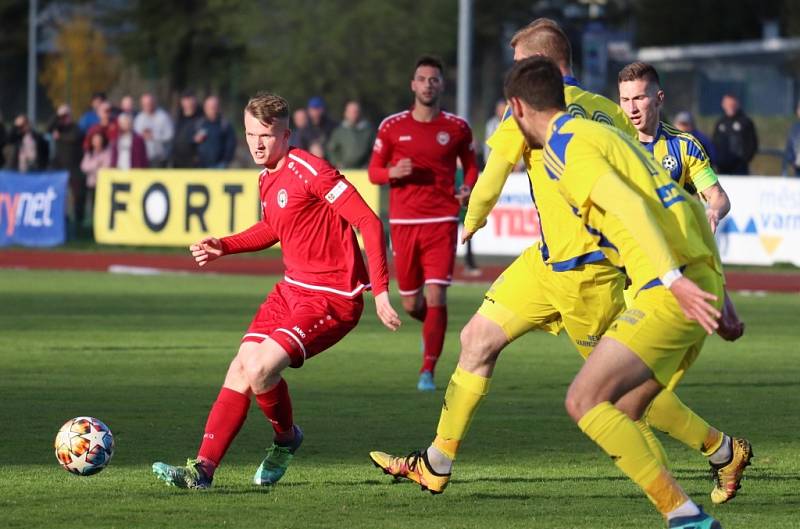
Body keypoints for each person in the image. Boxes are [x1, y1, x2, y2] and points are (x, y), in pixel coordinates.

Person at [369, 19, 751, 508]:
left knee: (616, 395)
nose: (515, 84)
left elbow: (493, 176)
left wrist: (473, 220)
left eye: (521, 67)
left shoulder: (538, 118)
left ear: (541, 71)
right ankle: (436, 463)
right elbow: (659, 193)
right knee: (476, 339)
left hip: (586, 275)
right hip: (545, 262)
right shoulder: (608, 113)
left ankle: (711, 461)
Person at [508, 55, 733, 529]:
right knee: (630, 406)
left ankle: (687, 518)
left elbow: (628, 204)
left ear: (517, 108)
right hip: (698, 277)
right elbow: (685, 211)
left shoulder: (567, 147)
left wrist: (673, 281)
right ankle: (699, 493)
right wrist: (720, 293)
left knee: (583, 401)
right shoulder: (610, 135)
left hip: (668, 287)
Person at [151, 91, 400, 489]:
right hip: (290, 290)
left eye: (266, 135)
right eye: (250, 134)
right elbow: (273, 228)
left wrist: (381, 290)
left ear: (286, 134)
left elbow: (370, 223)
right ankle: (203, 471)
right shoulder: (266, 178)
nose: (257, 143)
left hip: (333, 297)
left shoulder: (311, 170)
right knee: (242, 364)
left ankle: (285, 441)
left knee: (262, 367)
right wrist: (225, 245)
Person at [368, 56, 479, 391]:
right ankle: (432, 333)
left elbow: (471, 166)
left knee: (436, 296)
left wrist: (467, 188)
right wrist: (391, 173)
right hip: (403, 223)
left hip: (442, 221)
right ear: (412, 85)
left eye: (434, 79)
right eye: (422, 78)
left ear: (442, 85)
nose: (428, 84)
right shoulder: (391, 127)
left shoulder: (457, 127)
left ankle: (427, 370)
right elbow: (373, 172)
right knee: (412, 303)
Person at [619, 63, 744, 342]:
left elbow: (717, 195)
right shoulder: (613, 143)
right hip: (621, 269)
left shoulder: (684, 146)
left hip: (668, 267)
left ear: (659, 98)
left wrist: (713, 209)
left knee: (639, 355)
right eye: (625, 100)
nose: (632, 109)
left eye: (639, 98)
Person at [48, 105, 86, 229]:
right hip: (59, 168)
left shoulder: (75, 128)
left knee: (78, 196)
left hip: (74, 167)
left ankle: (79, 223)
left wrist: (60, 137)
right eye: (63, 117)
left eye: (67, 116)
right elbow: (48, 128)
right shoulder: (58, 127)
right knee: (59, 196)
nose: (65, 119)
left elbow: (75, 137)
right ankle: (61, 221)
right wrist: (57, 115)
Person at [712, 93, 758, 175]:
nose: (730, 107)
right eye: (728, 104)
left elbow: (752, 144)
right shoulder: (720, 123)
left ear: (737, 104)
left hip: (740, 168)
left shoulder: (745, 122)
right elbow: (714, 142)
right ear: (723, 105)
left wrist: (744, 160)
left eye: (732, 104)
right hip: (722, 167)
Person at [327, 101, 374, 169]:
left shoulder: (368, 131)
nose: (353, 114)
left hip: (363, 172)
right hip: (343, 171)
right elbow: (331, 150)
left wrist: (368, 164)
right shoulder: (338, 131)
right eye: (350, 112)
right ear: (345, 113)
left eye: (355, 112)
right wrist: (337, 163)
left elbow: (374, 151)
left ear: (360, 113)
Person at [195, 96, 237, 168]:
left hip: (219, 166)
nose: (212, 109)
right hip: (200, 166)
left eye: (214, 106)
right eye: (209, 106)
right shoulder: (199, 124)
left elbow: (231, 144)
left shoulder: (225, 125)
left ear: (218, 108)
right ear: (205, 108)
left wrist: (225, 161)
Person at [134, 93, 174, 167]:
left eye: (149, 103)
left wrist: (154, 136)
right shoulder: (139, 118)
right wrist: (142, 136)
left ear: (154, 103)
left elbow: (170, 135)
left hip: (159, 159)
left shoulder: (163, 117)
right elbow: (135, 136)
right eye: (145, 104)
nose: (147, 106)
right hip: (142, 159)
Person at [80, 131, 112, 224]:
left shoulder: (106, 152)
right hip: (92, 183)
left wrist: (94, 167)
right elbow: (84, 167)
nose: (97, 142)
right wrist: (96, 165)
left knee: (103, 205)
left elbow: (106, 167)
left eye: (99, 140)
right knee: (93, 205)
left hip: (103, 184)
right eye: (95, 140)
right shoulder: (89, 153)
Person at [172, 91, 203, 168]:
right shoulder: (177, 118)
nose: (189, 105)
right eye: (186, 102)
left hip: (194, 163)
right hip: (177, 161)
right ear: (182, 103)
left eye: (191, 102)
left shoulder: (202, 119)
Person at [782, 101, 800, 176]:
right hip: (798, 169)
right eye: (799, 108)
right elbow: (789, 147)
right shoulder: (794, 128)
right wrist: (792, 161)